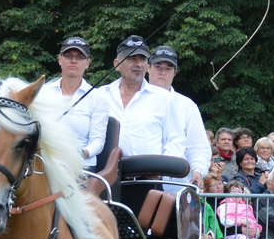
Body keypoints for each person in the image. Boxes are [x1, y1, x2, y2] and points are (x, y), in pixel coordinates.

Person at [98, 36, 182, 159]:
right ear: (117, 64)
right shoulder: (100, 95)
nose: (138, 64)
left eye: (143, 59)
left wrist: (161, 167)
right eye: (132, 58)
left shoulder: (163, 98)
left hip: (148, 170)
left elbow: (176, 141)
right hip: (105, 170)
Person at [39, 36, 109, 166]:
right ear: (60, 60)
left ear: (87, 63)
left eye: (80, 57)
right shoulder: (43, 92)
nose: (73, 61)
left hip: (81, 165)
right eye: (68, 56)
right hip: (47, 164)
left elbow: (98, 141)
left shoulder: (98, 98)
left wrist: (80, 154)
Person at [145, 45, 211, 182]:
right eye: (158, 67)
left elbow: (198, 146)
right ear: (148, 68)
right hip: (139, 176)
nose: (162, 72)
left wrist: (198, 170)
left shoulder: (187, 105)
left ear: (175, 72)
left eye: (168, 68)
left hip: (176, 182)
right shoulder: (133, 100)